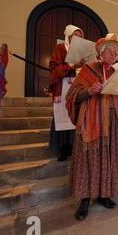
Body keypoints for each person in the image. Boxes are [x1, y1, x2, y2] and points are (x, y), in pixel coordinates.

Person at [66, 36, 118, 221]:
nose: (114, 55)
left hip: (112, 121)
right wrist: (88, 91)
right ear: (101, 52)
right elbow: (72, 96)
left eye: (116, 53)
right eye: (111, 51)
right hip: (92, 121)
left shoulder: (116, 73)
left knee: (108, 157)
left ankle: (104, 195)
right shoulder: (87, 70)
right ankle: (85, 201)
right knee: (89, 159)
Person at [48, 25, 86, 161]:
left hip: (77, 87)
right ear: (68, 36)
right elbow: (54, 69)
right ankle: (62, 148)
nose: (78, 38)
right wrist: (71, 65)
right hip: (63, 86)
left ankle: (73, 146)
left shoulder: (82, 52)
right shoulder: (59, 48)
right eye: (76, 35)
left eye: (80, 36)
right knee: (63, 116)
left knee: (75, 115)